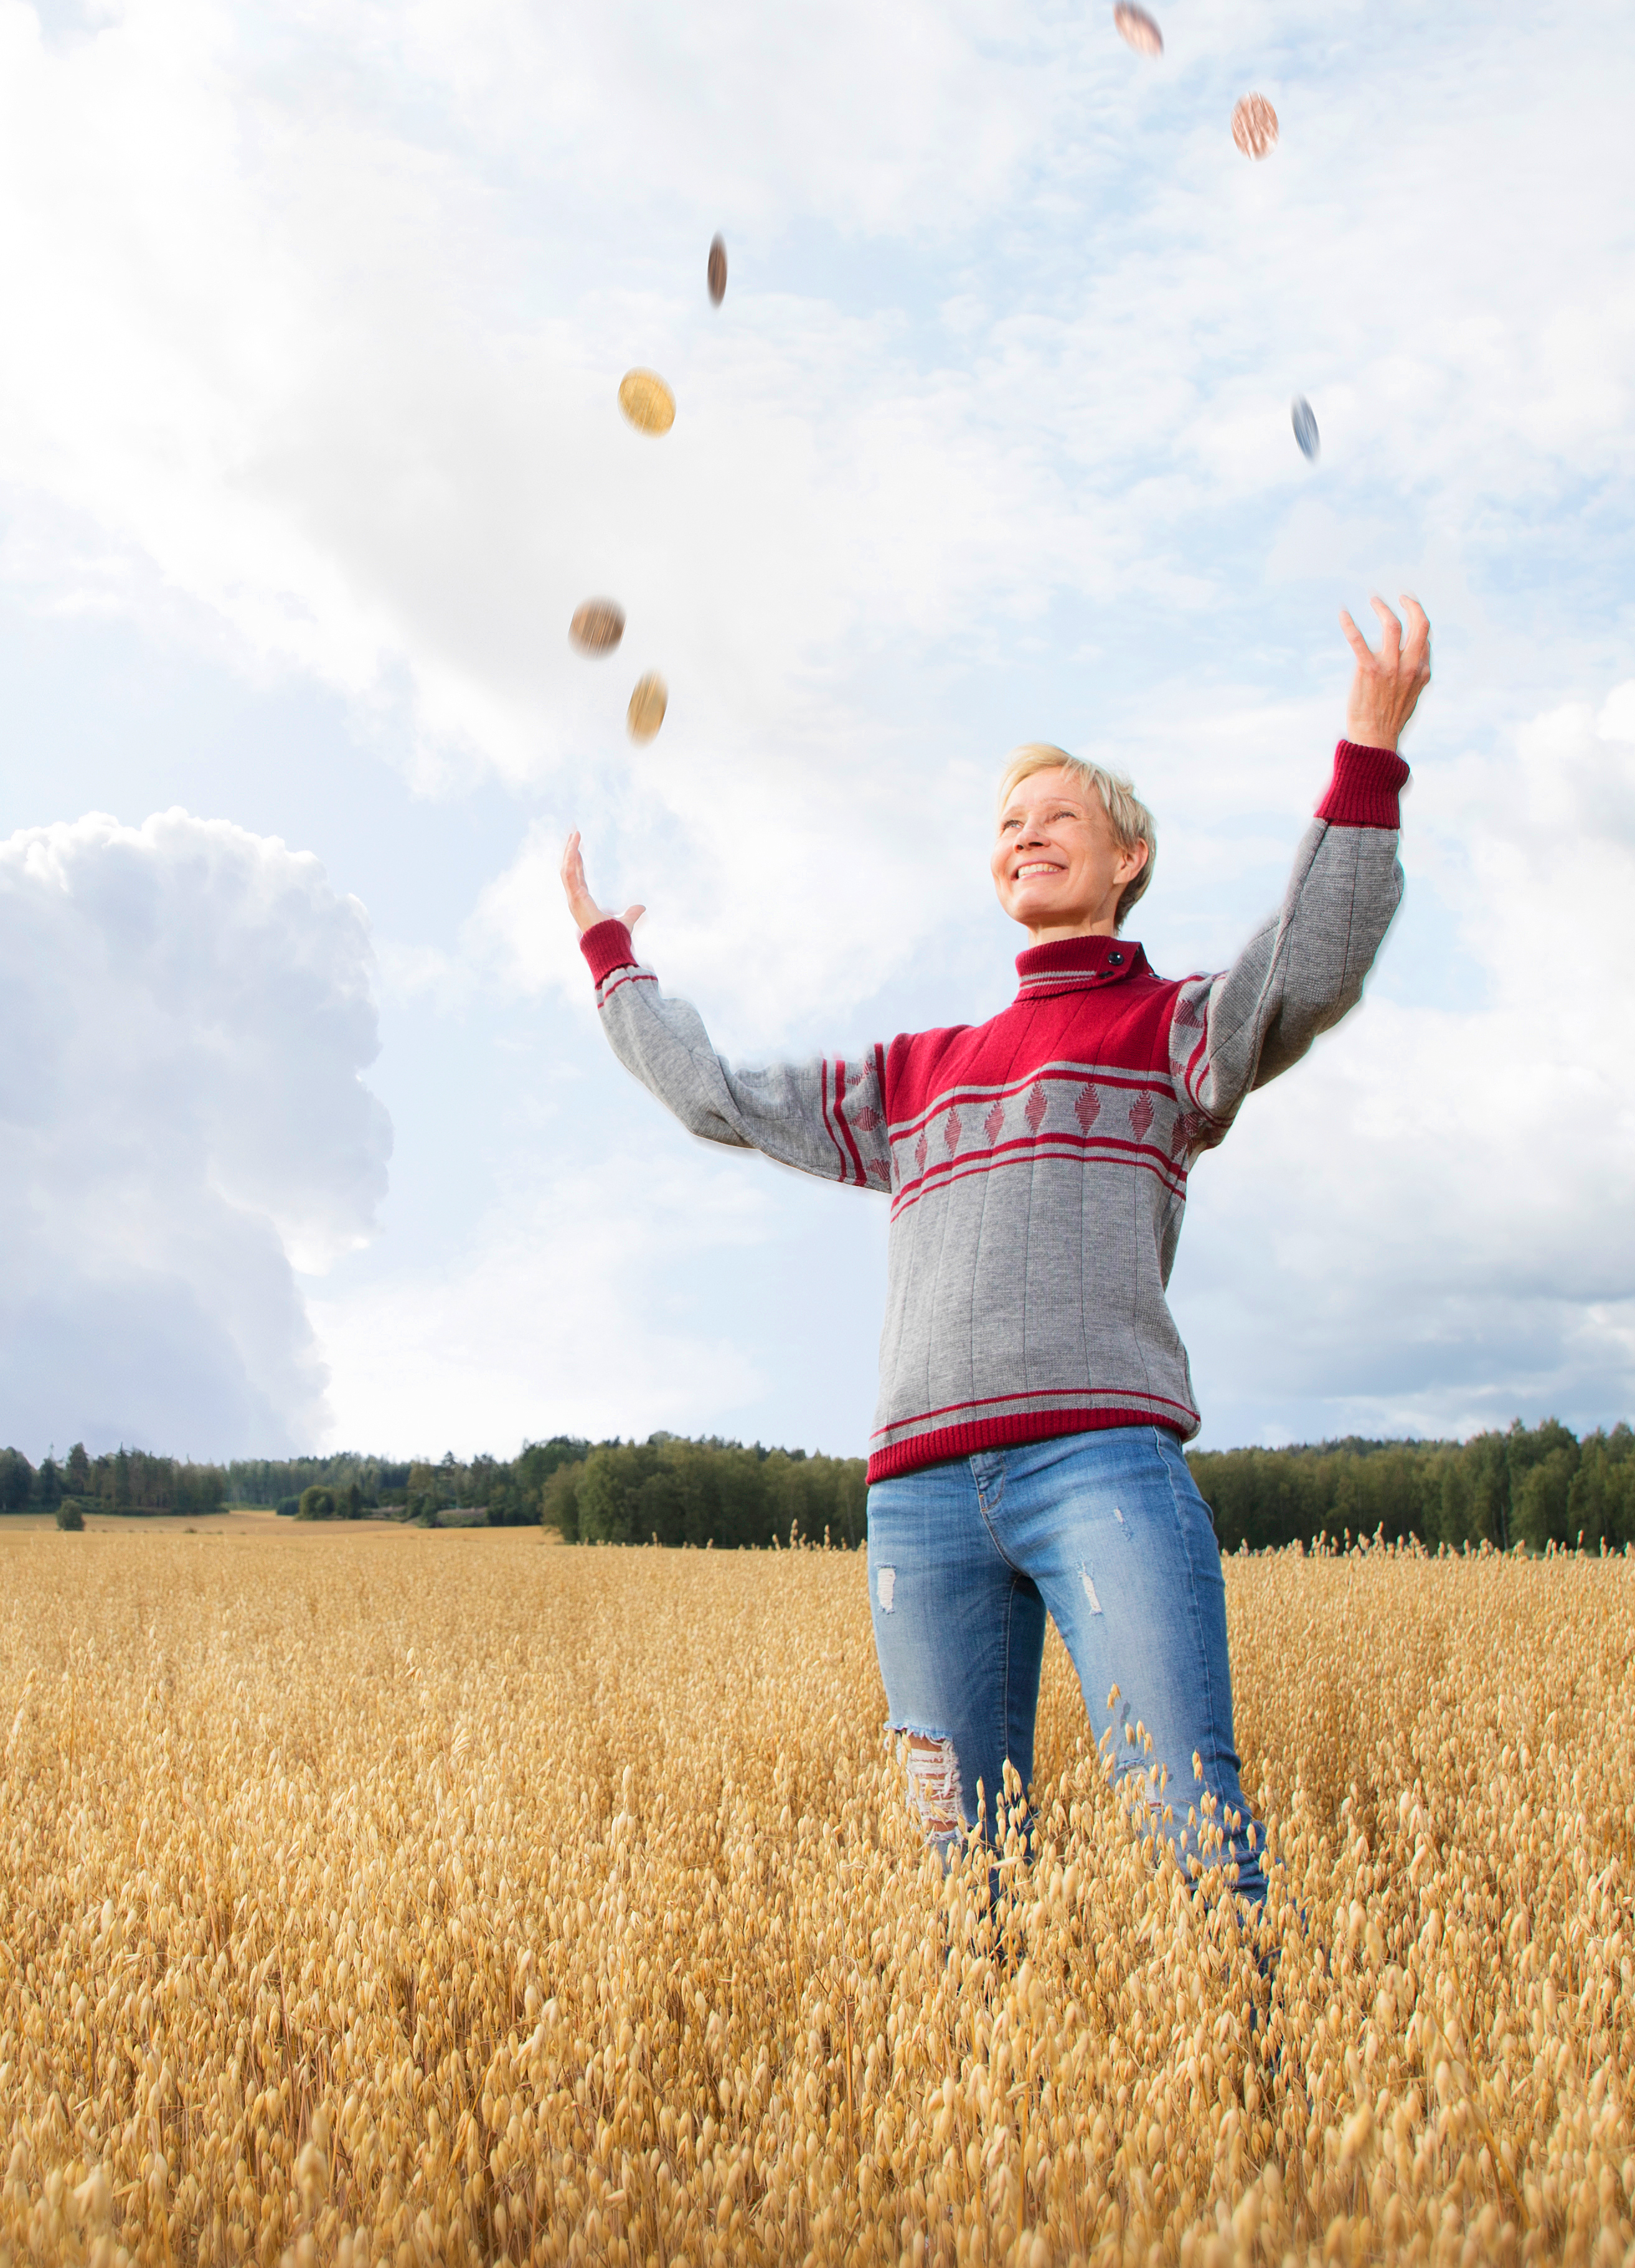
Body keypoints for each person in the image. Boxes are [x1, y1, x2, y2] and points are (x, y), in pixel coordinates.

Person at [559, 599, 1430, 1904]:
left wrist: (1369, 750)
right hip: (916, 1496)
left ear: (1129, 855)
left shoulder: (1172, 1028)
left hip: (1100, 1461)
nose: (1027, 835)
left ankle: (1254, 2098)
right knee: (958, 1869)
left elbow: (1311, 963)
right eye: (1008, 825)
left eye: (1059, 816)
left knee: (1187, 1815)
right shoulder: (919, 1073)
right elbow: (719, 1098)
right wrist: (610, 955)